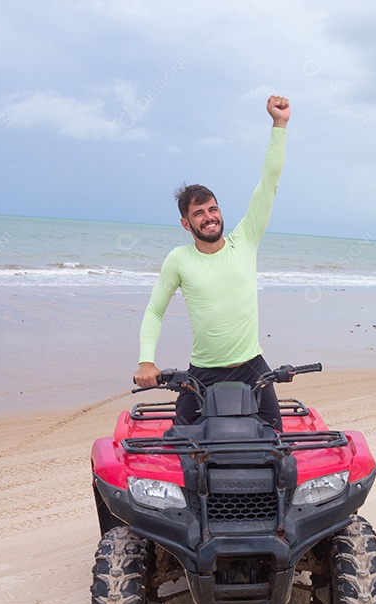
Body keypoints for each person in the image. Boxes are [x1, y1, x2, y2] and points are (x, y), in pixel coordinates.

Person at [134, 95, 291, 430]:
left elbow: (269, 182)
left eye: (212, 209)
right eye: (198, 213)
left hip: (252, 366)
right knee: (179, 446)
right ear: (186, 224)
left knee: (277, 444)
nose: (209, 217)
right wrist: (146, 361)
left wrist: (279, 125)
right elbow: (155, 311)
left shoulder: (245, 240)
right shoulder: (179, 259)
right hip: (203, 371)